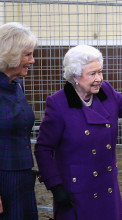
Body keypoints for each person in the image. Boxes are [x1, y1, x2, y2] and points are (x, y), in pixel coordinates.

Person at [34, 44, 122, 220]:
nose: (99, 78)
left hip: (107, 188)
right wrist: (55, 186)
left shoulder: (107, 92)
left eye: (100, 72)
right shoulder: (58, 104)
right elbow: (43, 148)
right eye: (92, 74)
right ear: (75, 76)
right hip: (76, 192)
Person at [0, 22, 38, 219]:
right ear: (11, 54)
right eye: (28, 54)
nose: (32, 60)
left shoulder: (17, 86)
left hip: (22, 175)